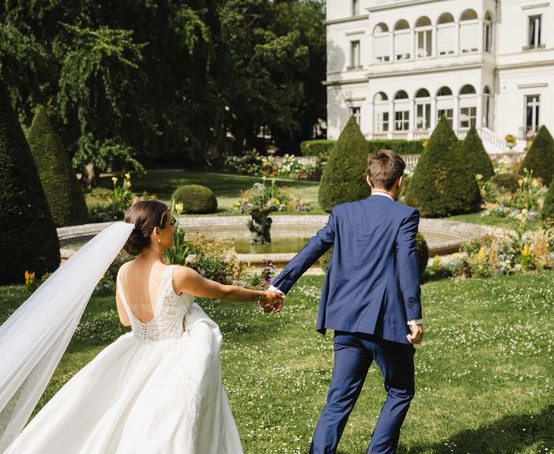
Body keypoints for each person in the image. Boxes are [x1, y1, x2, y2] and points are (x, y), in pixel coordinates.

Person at [3, 200, 281, 453]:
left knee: (117, 418)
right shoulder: (177, 275)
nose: (174, 227)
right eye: (171, 222)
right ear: (157, 233)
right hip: (172, 356)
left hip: (134, 350)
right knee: (168, 426)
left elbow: (126, 320)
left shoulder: (123, 272)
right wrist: (262, 294)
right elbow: (224, 292)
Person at [264, 150, 424, 454]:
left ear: (368, 179)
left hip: (346, 321)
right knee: (400, 391)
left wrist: (279, 286)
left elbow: (313, 248)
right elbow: (406, 262)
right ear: (400, 182)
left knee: (338, 399)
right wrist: (414, 318)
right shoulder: (405, 215)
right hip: (388, 325)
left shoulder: (342, 212)